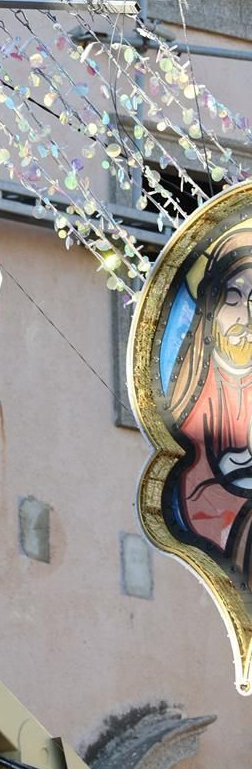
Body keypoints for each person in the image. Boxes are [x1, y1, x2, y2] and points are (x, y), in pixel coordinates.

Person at [166, 220, 252, 586]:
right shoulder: (197, 387)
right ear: (211, 307)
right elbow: (193, 483)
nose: (245, 316)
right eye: (233, 297)